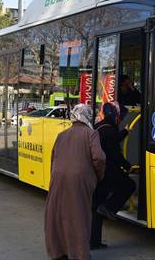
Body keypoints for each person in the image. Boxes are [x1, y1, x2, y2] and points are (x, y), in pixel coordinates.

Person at [44, 104, 106, 260]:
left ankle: (58, 251)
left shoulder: (62, 135)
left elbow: (53, 157)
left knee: (58, 215)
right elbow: (99, 157)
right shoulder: (91, 134)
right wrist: (98, 175)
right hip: (80, 180)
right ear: (87, 116)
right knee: (79, 216)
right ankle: (79, 254)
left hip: (58, 178)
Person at [91, 101, 136, 250]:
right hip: (109, 172)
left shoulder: (98, 127)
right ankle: (110, 207)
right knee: (129, 185)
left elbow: (113, 139)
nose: (120, 119)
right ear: (115, 115)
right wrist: (128, 166)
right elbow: (114, 153)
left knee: (96, 207)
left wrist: (125, 132)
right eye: (120, 116)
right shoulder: (109, 131)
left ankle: (94, 242)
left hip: (96, 173)